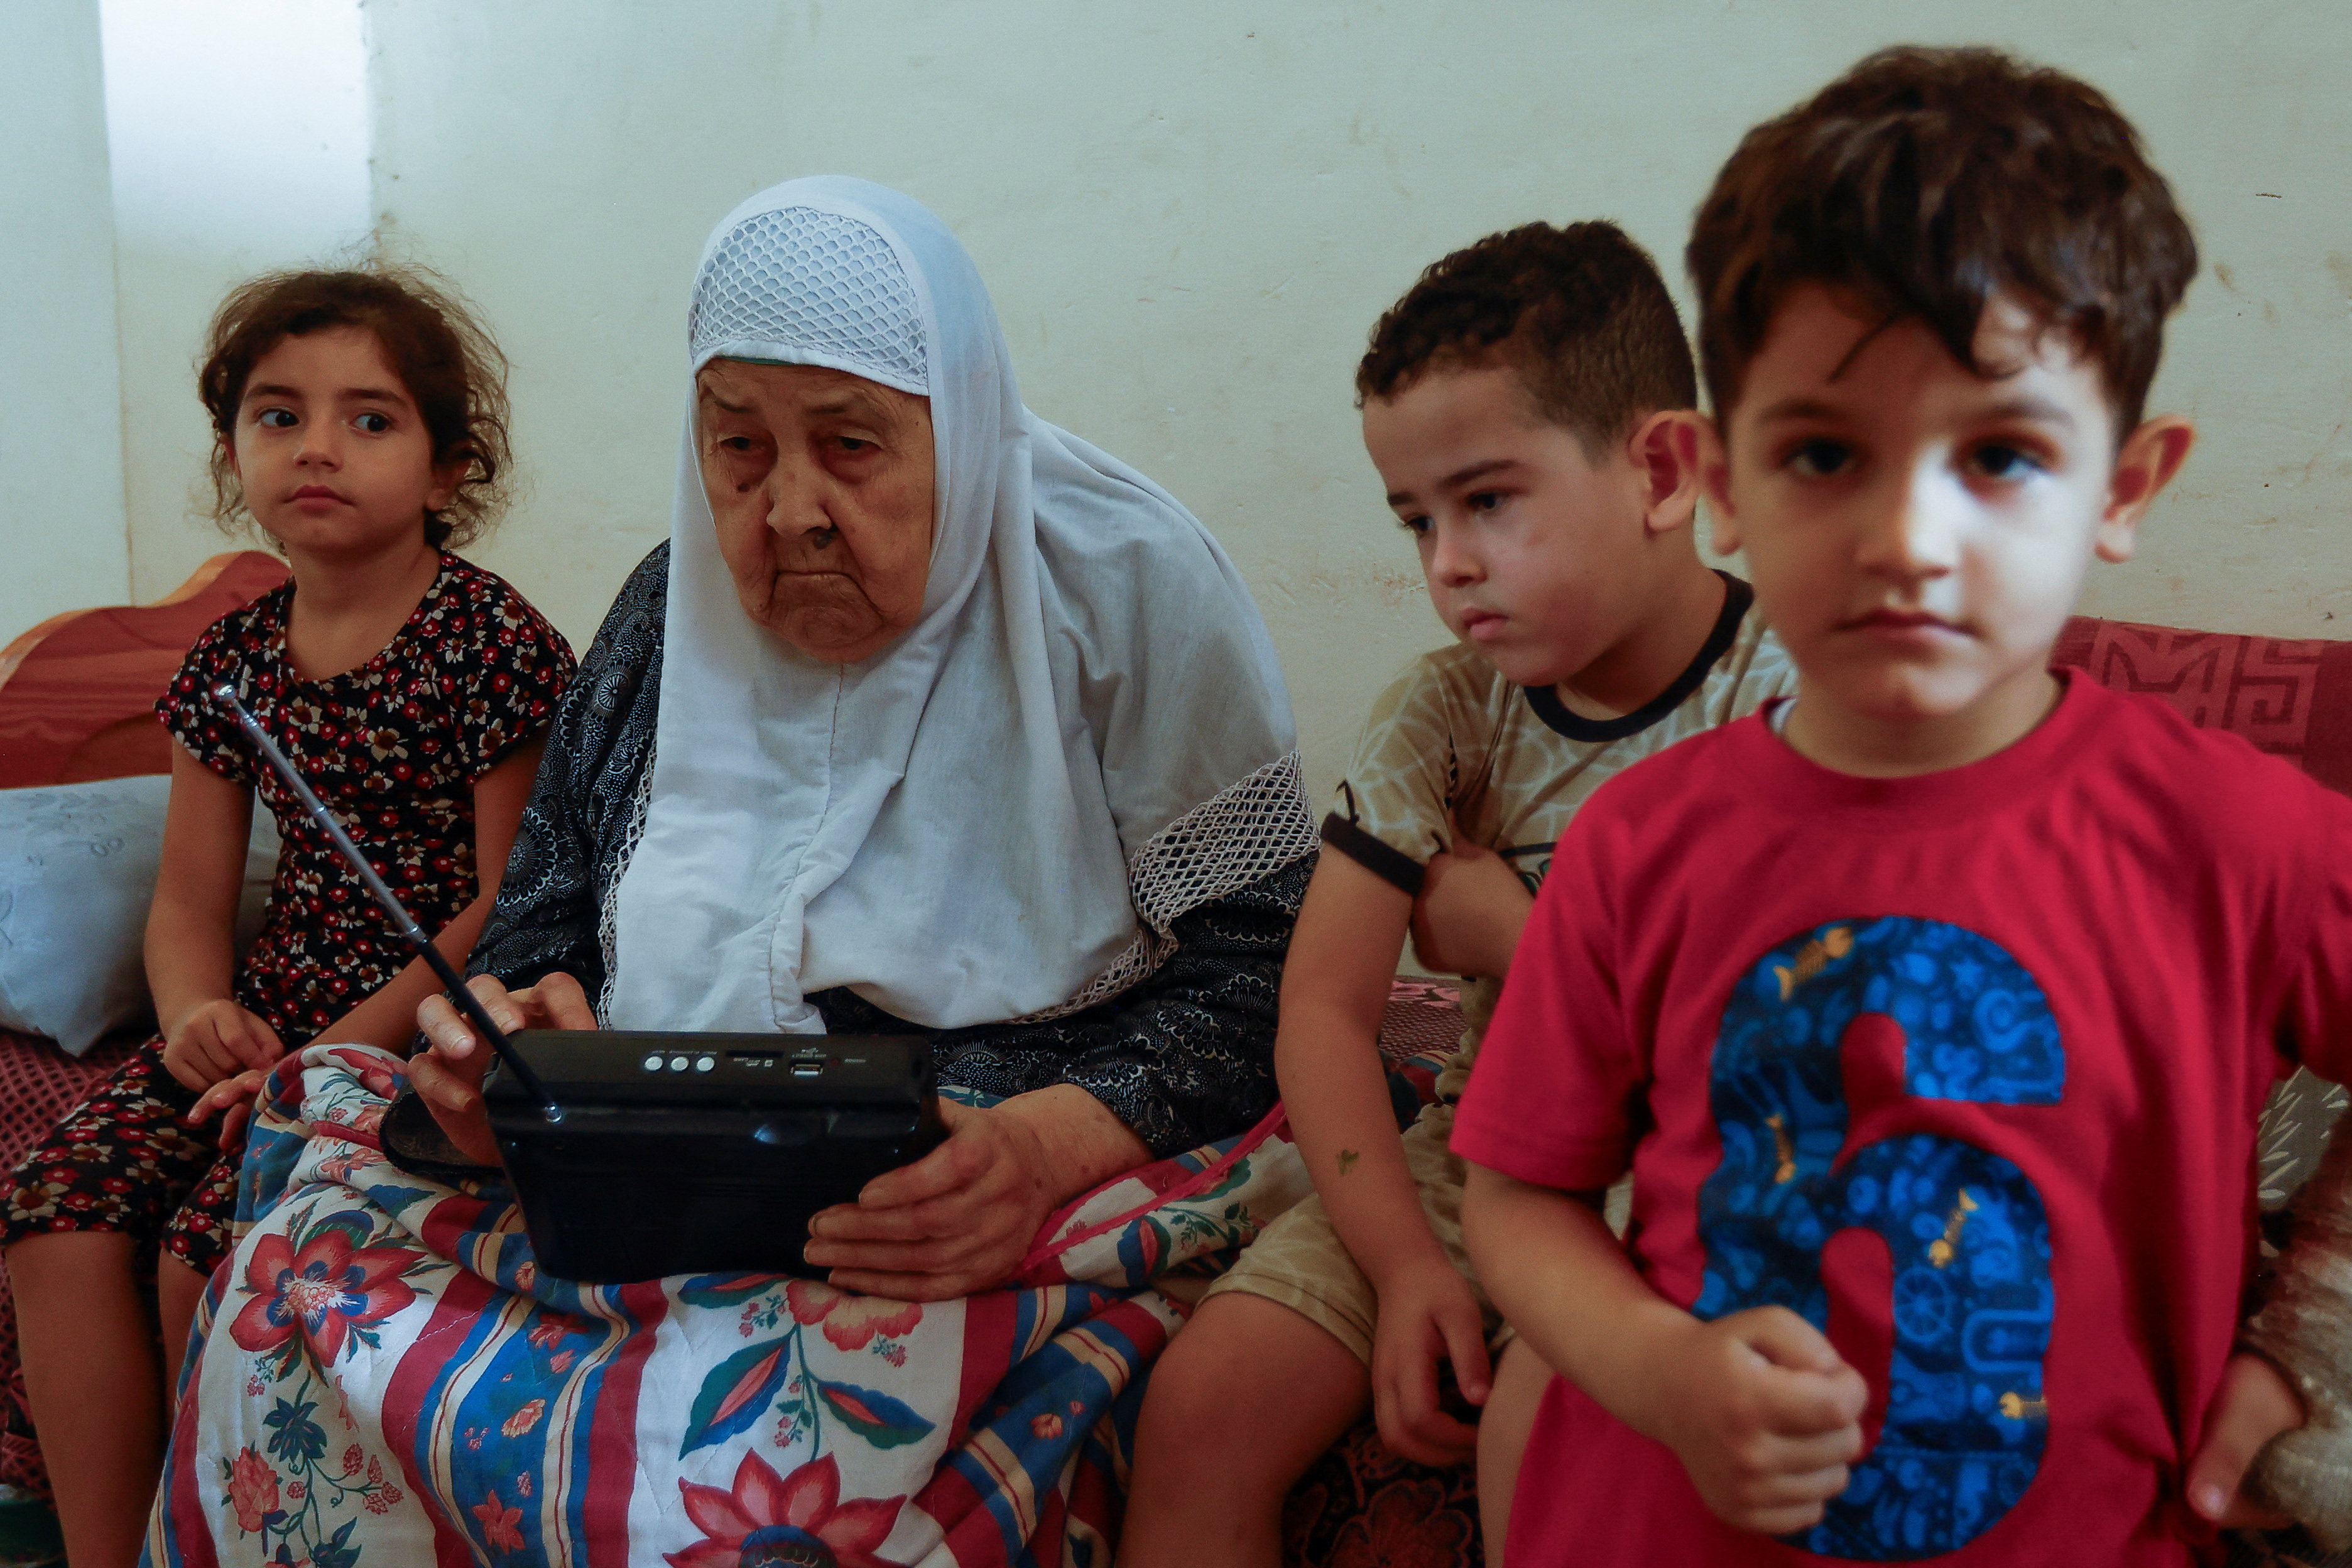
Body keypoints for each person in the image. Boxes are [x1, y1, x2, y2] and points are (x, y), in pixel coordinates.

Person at [152, 178, 1319, 1565]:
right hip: (646, 1147)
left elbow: (1266, 973)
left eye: (852, 446)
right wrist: (508, 1061)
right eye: (739, 449)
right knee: (285, 1280)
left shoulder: (1117, 582)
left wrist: (1040, 1150)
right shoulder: (668, 610)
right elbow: (538, 934)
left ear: (963, 417)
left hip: (971, 1164)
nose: (791, 512)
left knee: (770, 1473)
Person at [1456, 45, 2346, 1565]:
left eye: (2001, 455)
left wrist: (2311, 1336)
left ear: (2125, 489)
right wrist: (1660, 1373)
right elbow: (1516, 1197)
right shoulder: (1638, 845)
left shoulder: (2236, 836)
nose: (1909, 537)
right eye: (1823, 452)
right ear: (1712, 475)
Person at [1123, 221, 1794, 1565]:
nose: (1448, 563)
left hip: (1691, 1178)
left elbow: (1756, 1049)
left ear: (1662, 468)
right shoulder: (1447, 713)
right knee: (1203, 1403)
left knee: (1548, 1439)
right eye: (1418, 519)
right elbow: (1321, 1008)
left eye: (1489, 501)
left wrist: (1521, 942)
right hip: (1478, 1154)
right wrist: (1408, 1265)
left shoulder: (1779, 698)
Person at [1, 266, 573, 1568]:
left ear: (445, 469)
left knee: (208, 1249)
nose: (318, 446)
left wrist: (331, 1055)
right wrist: (200, 1013)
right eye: (278, 416)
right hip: (264, 1022)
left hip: (427, 1026)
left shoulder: (491, 644)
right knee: (57, 1209)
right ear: (230, 451)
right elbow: (191, 901)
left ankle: (213, 1538)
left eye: (370, 419)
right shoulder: (230, 665)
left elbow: (516, 900)